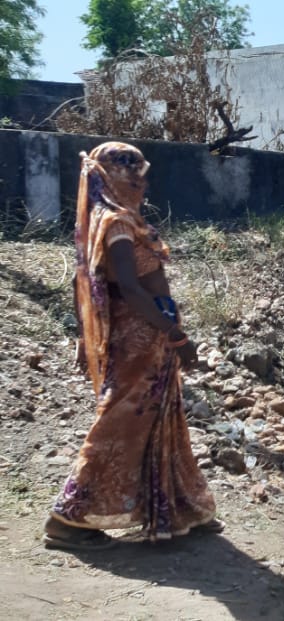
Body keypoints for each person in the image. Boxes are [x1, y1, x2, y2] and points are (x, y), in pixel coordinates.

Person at [44, 142, 219, 550]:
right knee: (119, 426)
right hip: (137, 344)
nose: (142, 185)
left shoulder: (119, 220)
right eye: (134, 177)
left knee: (162, 423)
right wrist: (175, 334)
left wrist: (167, 332)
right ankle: (69, 521)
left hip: (151, 342)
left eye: (143, 177)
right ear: (114, 177)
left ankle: (179, 507)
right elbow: (129, 287)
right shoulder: (116, 224)